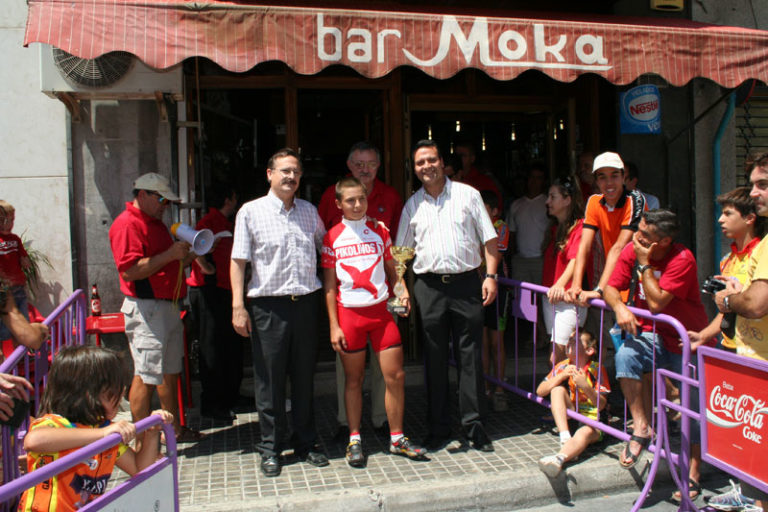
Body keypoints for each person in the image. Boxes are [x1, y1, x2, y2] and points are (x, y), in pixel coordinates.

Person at [396, 139, 500, 452]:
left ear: (442, 162)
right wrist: (400, 285)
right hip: (428, 288)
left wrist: (491, 276)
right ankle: (439, 428)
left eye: (431, 160)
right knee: (435, 359)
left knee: (470, 357)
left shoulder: (468, 195)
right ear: (414, 170)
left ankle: (474, 425)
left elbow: (489, 239)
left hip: (467, 284)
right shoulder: (412, 205)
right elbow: (401, 252)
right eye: (419, 163)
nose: (426, 167)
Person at [231, 148, 328, 477]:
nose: (291, 177)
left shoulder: (310, 212)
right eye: (284, 171)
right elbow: (238, 261)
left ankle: (305, 442)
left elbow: (326, 250)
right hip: (268, 306)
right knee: (269, 380)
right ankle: (271, 448)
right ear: (269, 175)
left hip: (306, 304)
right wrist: (237, 305)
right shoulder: (250, 212)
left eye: (296, 172)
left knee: (304, 377)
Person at [322, 176, 427, 468]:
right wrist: (333, 325)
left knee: (397, 376)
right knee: (353, 381)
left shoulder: (380, 231)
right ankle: (354, 439)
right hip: (349, 316)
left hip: (381, 314)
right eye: (351, 200)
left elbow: (393, 271)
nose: (357, 205)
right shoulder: (331, 237)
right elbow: (329, 286)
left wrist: (401, 290)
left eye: (362, 199)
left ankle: (397, 438)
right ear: (339, 204)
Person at [604, 210, 709, 486]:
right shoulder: (634, 248)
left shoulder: (682, 258)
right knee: (626, 355)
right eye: (638, 229)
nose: (637, 237)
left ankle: (694, 470)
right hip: (653, 336)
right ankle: (641, 427)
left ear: (662, 242)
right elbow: (610, 288)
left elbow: (656, 303)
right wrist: (619, 308)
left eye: (645, 235)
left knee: (692, 407)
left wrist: (643, 265)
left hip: (687, 341)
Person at [108, 172, 203, 444]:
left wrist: (191, 253)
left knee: (168, 373)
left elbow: (167, 265)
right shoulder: (127, 224)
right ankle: (142, 443)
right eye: (161, 199)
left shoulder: (156, 224)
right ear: (142, 195)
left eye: (167, 200)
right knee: (146, 375)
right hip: (148, 309)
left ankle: (172, 433)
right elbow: (129, 272)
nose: (165, 204)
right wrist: (171, 255)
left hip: (167, 307)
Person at [18, 345, 173, 511]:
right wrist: (101, 434)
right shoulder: (55, 424)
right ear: (88, 394)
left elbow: (139, 468)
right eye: (114, 392)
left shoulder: (105, 431)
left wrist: (151, 432)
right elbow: (33, 440)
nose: (122, 395)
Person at [317, 142, 403, 438]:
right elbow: (323, 238)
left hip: (381, 294)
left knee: (386, 368)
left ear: (379, 167)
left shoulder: (390, 195)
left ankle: (382, 419)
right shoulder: (332, 194)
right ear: (349, 166)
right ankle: (346, 423)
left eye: (371, 164)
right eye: (359, 164)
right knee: (349, 371)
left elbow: (397, 249)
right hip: (348, 300)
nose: (365, 169)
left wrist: (400, 289)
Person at [713, 152, 768, 510]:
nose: (756, 193)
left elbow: (758, 303)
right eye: (752, 185)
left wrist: (730, 300)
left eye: (762, 185)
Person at [186, 183, 244, 422]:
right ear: (229, 197)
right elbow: (194, 244)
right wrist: (206, 267)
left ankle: (230, 396)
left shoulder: (223, 220)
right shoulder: (209, 220)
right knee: (212, 347)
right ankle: (212, 403)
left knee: (229, 345)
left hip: (225, 288)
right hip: (209, 289)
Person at [567, 151, 646, 306]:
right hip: (613, 282)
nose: (609, 182)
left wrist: (599, 290)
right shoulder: (593, 202)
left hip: (638, 281)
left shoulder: (635, 199)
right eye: (602, 177)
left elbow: (619, 247)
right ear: (595, 181)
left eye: (614, 175)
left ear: (623, 177)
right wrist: (575, 285)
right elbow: (584, 245)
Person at [689, 187, 762, 352]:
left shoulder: (761, 256)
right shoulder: (728, 260)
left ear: (750, 218)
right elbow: (727, 308)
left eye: (728, 214)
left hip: (756, 351)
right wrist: (703, 336)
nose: (720, 219)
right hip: (730, 347)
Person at [536, 331, 610, 477]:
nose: (569, 342)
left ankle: (559, 458)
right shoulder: (562, 366)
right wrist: (562, 376)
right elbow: (540, 391)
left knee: (585, 432)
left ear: (589, 350)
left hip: (593, 421)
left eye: (576, 340)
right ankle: (565, 437)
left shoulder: (596, 369)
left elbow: (601, 405)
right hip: (573, 414)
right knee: (556, 390)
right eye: (569, 339)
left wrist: (586, 386)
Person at [541, 177, 590, 365]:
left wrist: (558, 285)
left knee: (558, 357)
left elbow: (576, 260)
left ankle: (563, 393)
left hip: (568, 301)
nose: (547, 202)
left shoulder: (580, 227)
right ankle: (562, 393)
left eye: (553, 197)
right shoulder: (555, 228)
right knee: (559, 356)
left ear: (567, 199)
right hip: (552, 297)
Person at [479, 191, 509, 412]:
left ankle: (499, 390)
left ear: (494, 211)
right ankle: (485, 387)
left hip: (499, 290)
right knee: (482, 343)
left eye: (484, 209)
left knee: (496, 342)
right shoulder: (475, 227)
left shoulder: (501, 227)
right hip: (476, 290)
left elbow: (494, 256)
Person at [507, 165, 549, 289]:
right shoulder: (516, 205)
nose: (534, 181)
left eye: (538, 178)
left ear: (543, 181)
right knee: (521, 299)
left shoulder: (548, 203)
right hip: (520, 261)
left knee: (543, 297)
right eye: (531, 177)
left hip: (541, 260)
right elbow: (512, 234)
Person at [0, 200, 32, 341]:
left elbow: (25, 261)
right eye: (7, 220)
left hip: (18, 288)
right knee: (3, 330)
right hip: (3, 292)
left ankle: (22, 356)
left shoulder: (15, 239)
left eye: (12, 220)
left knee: (22, 326)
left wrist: (25, 261)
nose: (10, 224)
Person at [453, 142, 502, 208]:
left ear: (472, 159)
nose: (459, 159)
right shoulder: (446, 179)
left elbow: (497, 208)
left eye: (463, 155)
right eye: (457, 156)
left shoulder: (484, 182)